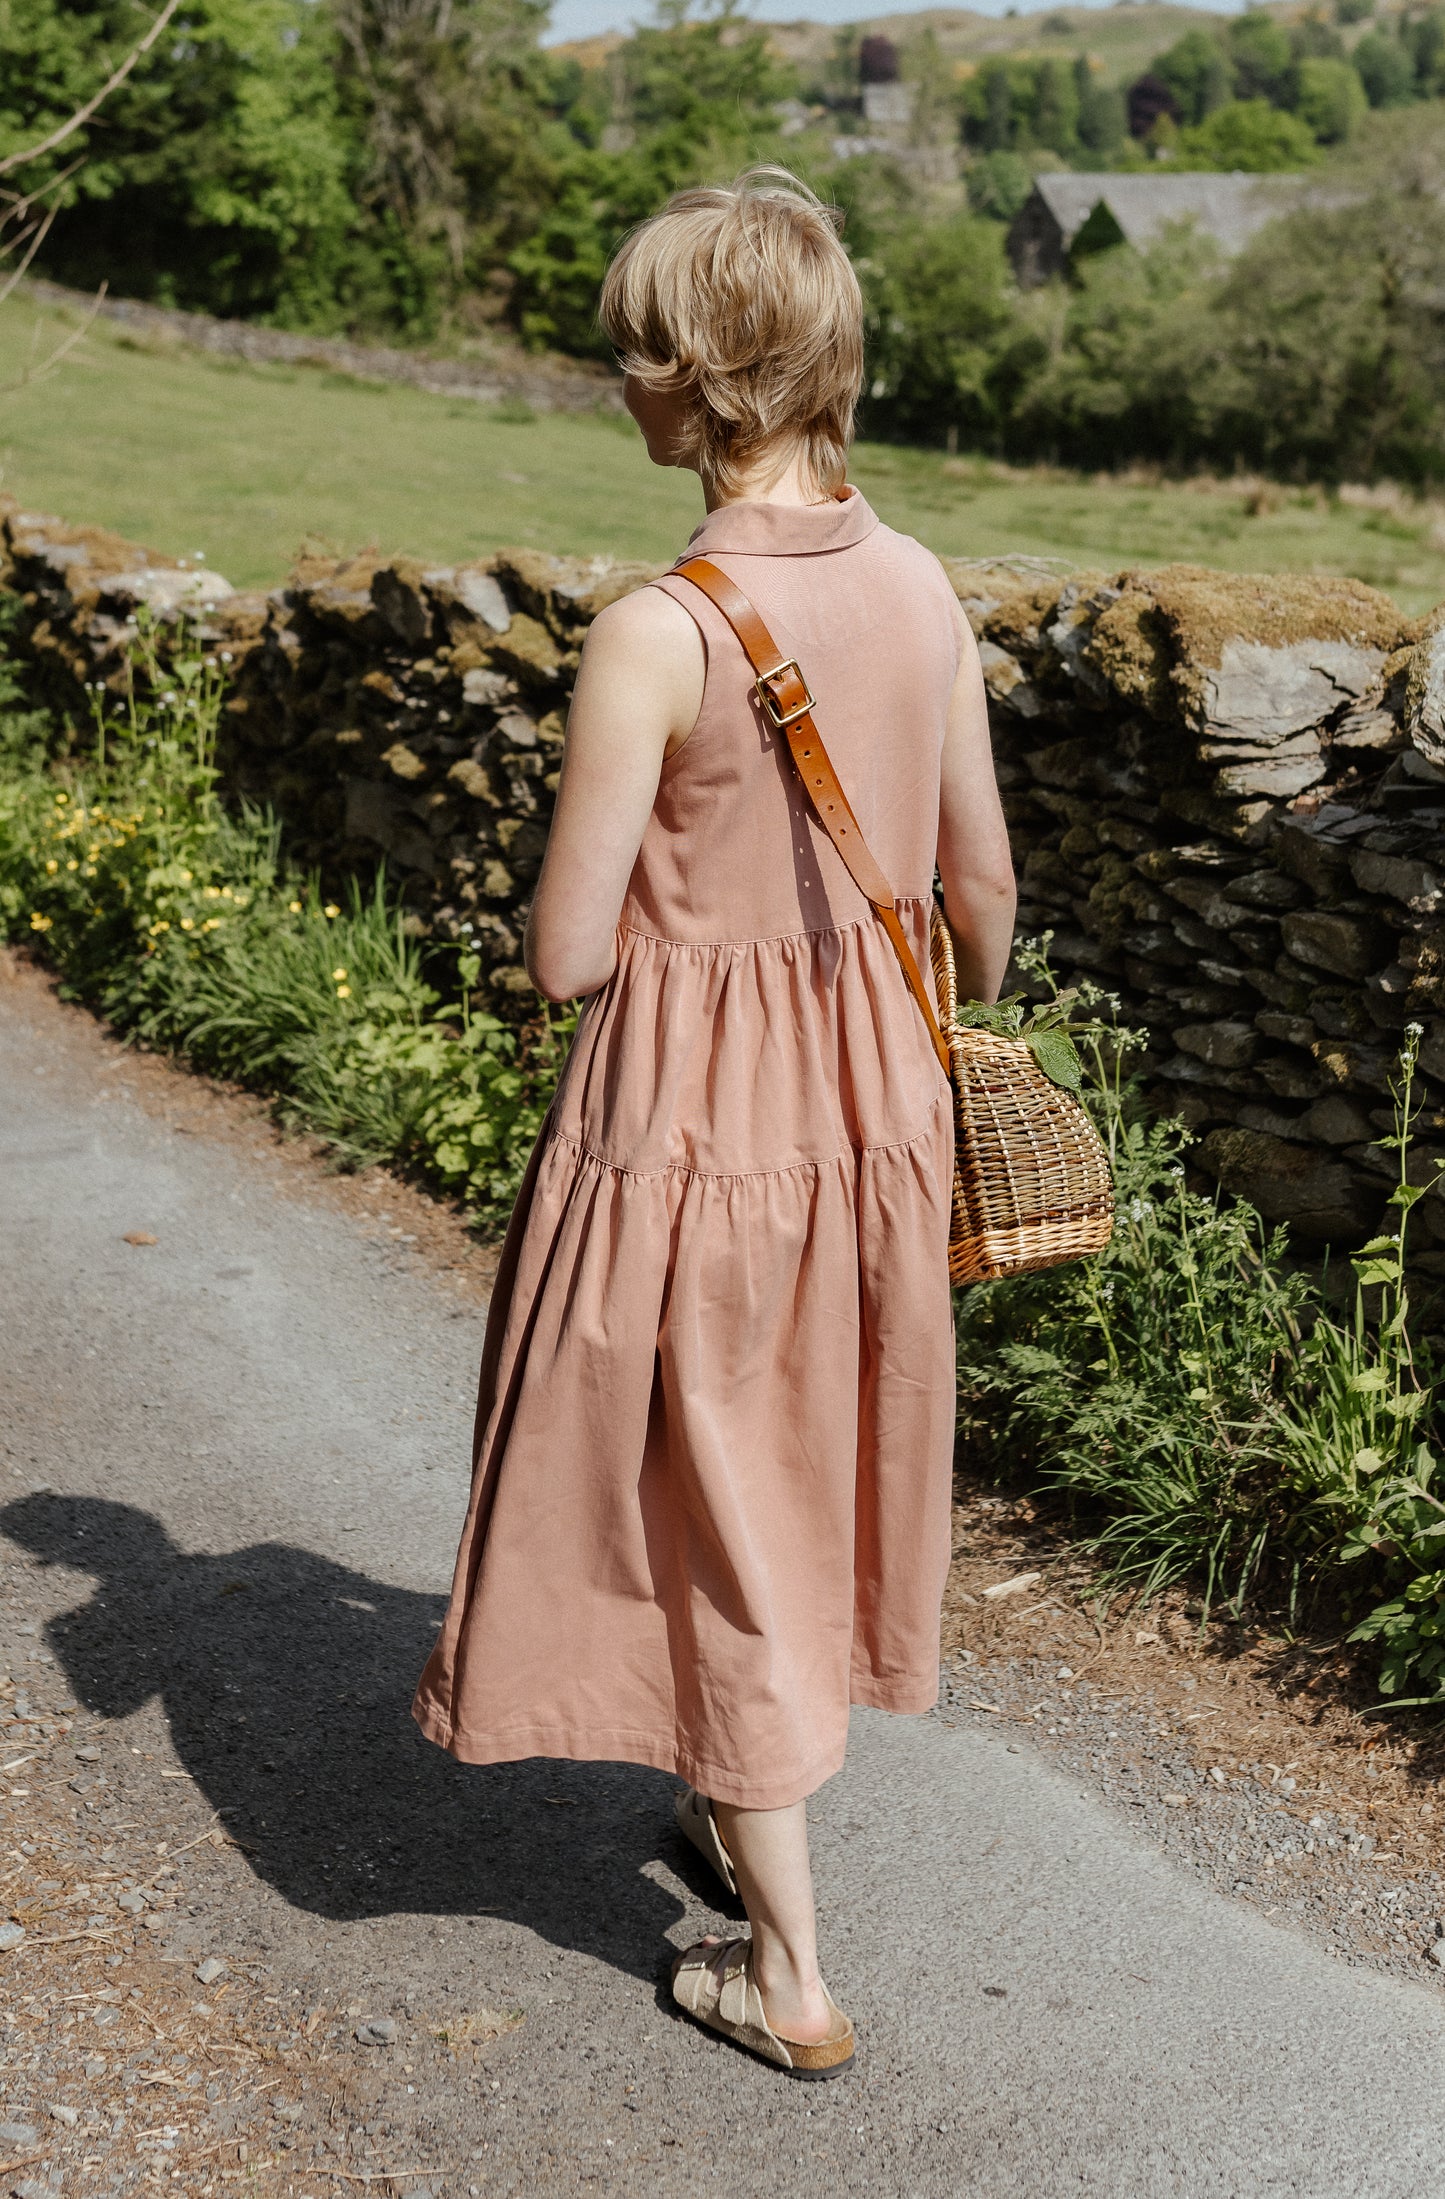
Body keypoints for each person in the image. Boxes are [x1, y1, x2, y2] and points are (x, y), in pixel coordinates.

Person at [413, 168, 1016, 2079]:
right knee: (799, 1470)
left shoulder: (657, 631)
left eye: (633, 353)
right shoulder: (924, 586)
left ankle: (792, 1974)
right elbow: (981, 910)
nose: (617, 384)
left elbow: (572, 953)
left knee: (709, 1498)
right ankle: (721, 1783)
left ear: (702, 377)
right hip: (880, 1118)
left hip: (695, 1137)